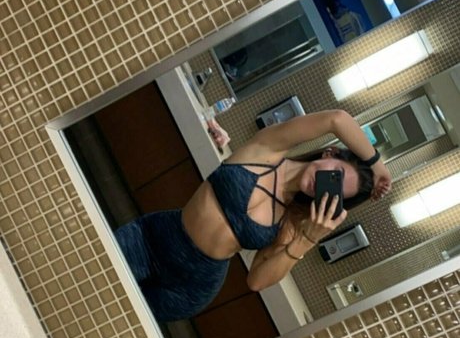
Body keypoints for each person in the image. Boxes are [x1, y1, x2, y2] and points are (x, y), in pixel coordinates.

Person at [115, 110, 392, 322]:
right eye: (335, 176)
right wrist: (376, 165)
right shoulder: (268, 149)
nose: (323, 185)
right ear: (330, 153)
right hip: (151, 241)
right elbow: (337, 119)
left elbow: (256, 281)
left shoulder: (292, 221)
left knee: (116, 324)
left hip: (191, 287)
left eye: (334, 192)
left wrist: (307, 239)